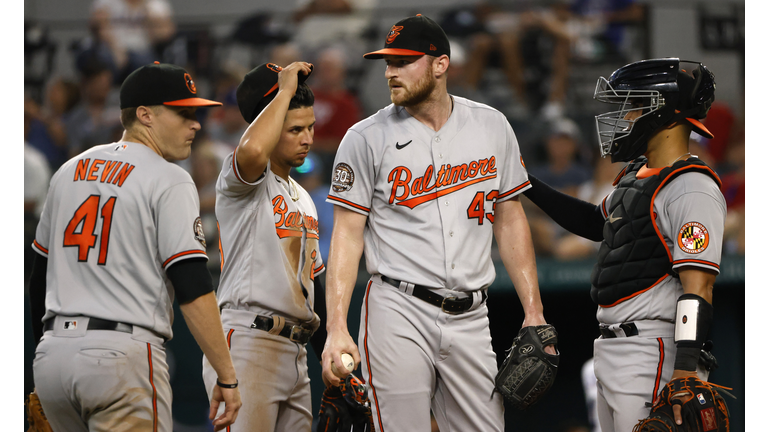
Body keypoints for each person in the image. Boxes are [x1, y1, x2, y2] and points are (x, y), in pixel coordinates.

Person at [321, 14, 554, 432]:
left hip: (472, 314)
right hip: (398, 308)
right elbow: (346, 233)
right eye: (387, 62)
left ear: (440, 64)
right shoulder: (364, 137)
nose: (390, 72)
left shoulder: (491, 125)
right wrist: (337, 327)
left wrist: (533, 311)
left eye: (403, 61)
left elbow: (510, 217)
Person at [28, 62, 242, 431]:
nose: (196, 124)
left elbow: (38, 279)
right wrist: (227, 375)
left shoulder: (68, 170)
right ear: (144, 115)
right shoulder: (169, 178)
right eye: (183, 113)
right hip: (120, 358)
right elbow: (192, 287)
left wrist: (39, 358)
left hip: (52, 358)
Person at [522, 58, 725, 431]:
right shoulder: (637, 174)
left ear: (664, 111)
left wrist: (684, 372)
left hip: (655, 349)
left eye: (634, 105)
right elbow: (593, 223)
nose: (626, 115)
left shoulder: (690, 185)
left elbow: (700, 287)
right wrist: (524, 181)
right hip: (614, 349)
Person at [202, 61, 327, 432]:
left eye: (310, 127)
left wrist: (330, 359)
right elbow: (254, 151)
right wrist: (285, 90)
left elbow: (311, 289)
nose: (307, 138)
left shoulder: (303, 196)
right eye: (295, 130)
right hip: (248, 340)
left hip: (296, 351)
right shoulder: (242, 180)